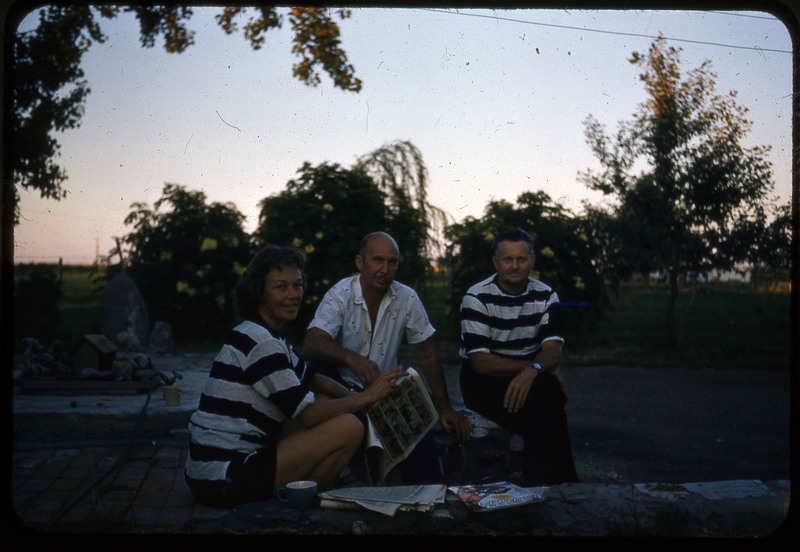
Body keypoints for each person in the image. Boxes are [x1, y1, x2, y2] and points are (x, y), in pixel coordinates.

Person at [184, 245, 403, 508]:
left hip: (215, 469)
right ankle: (303, 502)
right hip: (224, 476)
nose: (293, 295)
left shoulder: (267, 336)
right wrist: (366, 398)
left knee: (331, 405)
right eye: (281, 287)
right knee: (348, 427)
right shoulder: (259, 341)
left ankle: (303, 490)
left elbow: (310, 378)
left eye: (297, 285)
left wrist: (351, 396)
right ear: (259, 291)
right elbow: (308, 414)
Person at [303, 232, 472, 484]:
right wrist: (351, 358)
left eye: (392, 262)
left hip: (383, 389)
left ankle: (430, 504)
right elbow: (312, 342)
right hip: (341, 386)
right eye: (377, 260)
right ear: (360, 262)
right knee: (313, 368)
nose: (385, 269)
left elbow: (426, 353)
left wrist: (445, 408)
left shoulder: (407, 297)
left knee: (420, 435)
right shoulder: (341, 294)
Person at [458, 228, 579, 486]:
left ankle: (538, 480)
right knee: (548, 399)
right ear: (495, 262)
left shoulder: (546, 294)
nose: (515, 266)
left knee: (546, 395)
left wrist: (533, 371)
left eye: (522, 259)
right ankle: (558, 483)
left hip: (531, 380)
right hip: (484, 379)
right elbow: (480, 362)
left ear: (532, 261)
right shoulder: (476, 296)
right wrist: (533, 368)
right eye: (507, 259)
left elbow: (554, 350)